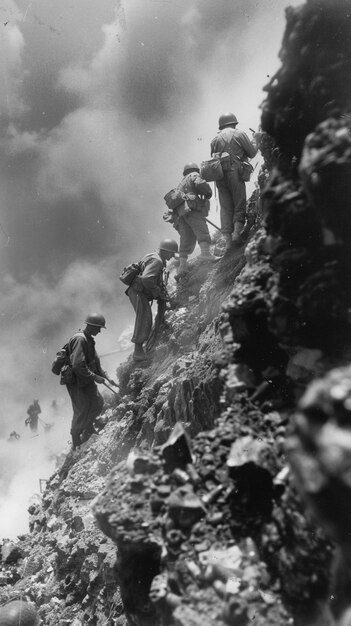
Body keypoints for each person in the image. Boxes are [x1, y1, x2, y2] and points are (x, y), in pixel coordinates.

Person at [65, 313, 116, 449]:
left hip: (86, 378)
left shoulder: (88, 339)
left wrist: (106, 376)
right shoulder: (80, 339)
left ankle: (88, 429)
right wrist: (95, 377)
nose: (99, 331)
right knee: (81, 409)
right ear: (92, 326)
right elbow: (77, 365)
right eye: (99, 328)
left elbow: (95, 362)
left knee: (97, 403)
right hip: (76, 380)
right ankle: (76, 442)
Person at [210, 112, 260, 250]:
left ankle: (227, 241)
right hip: (235, 173)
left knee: (225, 207)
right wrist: (256, 139)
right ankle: (237, 234)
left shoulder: (215, 139)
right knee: (239, 202)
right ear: (234, 123)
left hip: (220, 176)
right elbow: (252, 152)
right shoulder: (239, 134)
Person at [127, 239, 178, 362]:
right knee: (144, 319)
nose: (172, 257)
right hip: (139, 292)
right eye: (171, 253)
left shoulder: (153, 256)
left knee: (145, 318)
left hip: (138, 291)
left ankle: (140, 349)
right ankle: (138, 352)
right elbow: (147, 279)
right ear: (165, 251)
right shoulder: (157, 261)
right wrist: (158, 292)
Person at [176, 162, 220, 272]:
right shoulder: (194, 175)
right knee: (202, 230)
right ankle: (205, 254)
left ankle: (182, 266)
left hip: (182, 213)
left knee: (185, 238)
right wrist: (208, 192)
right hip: (192, 209)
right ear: (195, 169)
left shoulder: (181, 183)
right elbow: (200, 183)